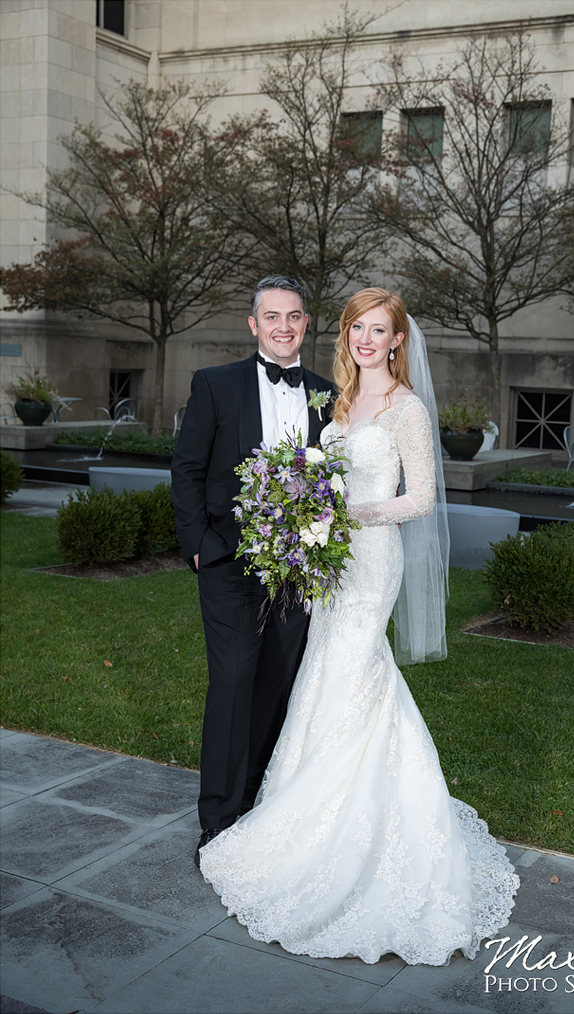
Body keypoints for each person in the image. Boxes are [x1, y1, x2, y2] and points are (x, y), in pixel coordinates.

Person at [198, 288, 519, 965]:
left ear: (398, 340)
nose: (366, 340)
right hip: (329, 560)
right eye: (356, 329)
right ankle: (301, 811)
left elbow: (423, 498)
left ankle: (354, 828)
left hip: (368, 560)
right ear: (344, 336)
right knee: (321, 673)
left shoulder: (405, 407)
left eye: (378, 331)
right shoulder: (337, 404)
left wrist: (350, 518)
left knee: (354, 669)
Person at [170, 276, 335, 865]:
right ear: (253, 324)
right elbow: (186, 469)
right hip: (229, 565)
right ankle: (217, 824)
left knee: (275, 689)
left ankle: (256, 806)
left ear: (306, 323)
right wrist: (198, 546)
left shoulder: (326, 394)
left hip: (299, 571)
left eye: (293, 316)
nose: (283, 327)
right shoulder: (214, 385)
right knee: (234, 686)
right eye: (272, 317)